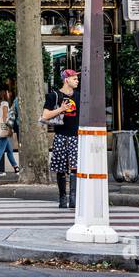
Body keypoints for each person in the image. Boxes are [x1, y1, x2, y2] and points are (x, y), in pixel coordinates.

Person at [43, 69, 81, 209]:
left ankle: (73, 198)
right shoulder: (54, 96)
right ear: (66, 80)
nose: (77, 81)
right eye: (74, 78)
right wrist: (61, 109)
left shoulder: (79, 96)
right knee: (61, 169)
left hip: (76, 136)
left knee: (75, 168)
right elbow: (45, 115)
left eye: (77, 79)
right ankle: (62, 198)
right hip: (60, 135)